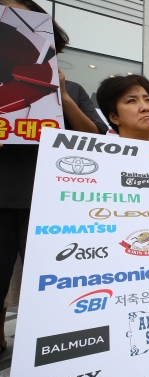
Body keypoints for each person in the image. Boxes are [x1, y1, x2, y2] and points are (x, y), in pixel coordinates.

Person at [0, 0, 108, 354]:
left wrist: (58, 92)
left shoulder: (71, 89)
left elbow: (94, 137)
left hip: (49, 204)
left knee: (49, 290)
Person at [96, 74, 149, 141]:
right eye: (132, 101)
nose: (145, 108)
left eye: (148, 100)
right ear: (114, 117)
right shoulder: (96, 151)